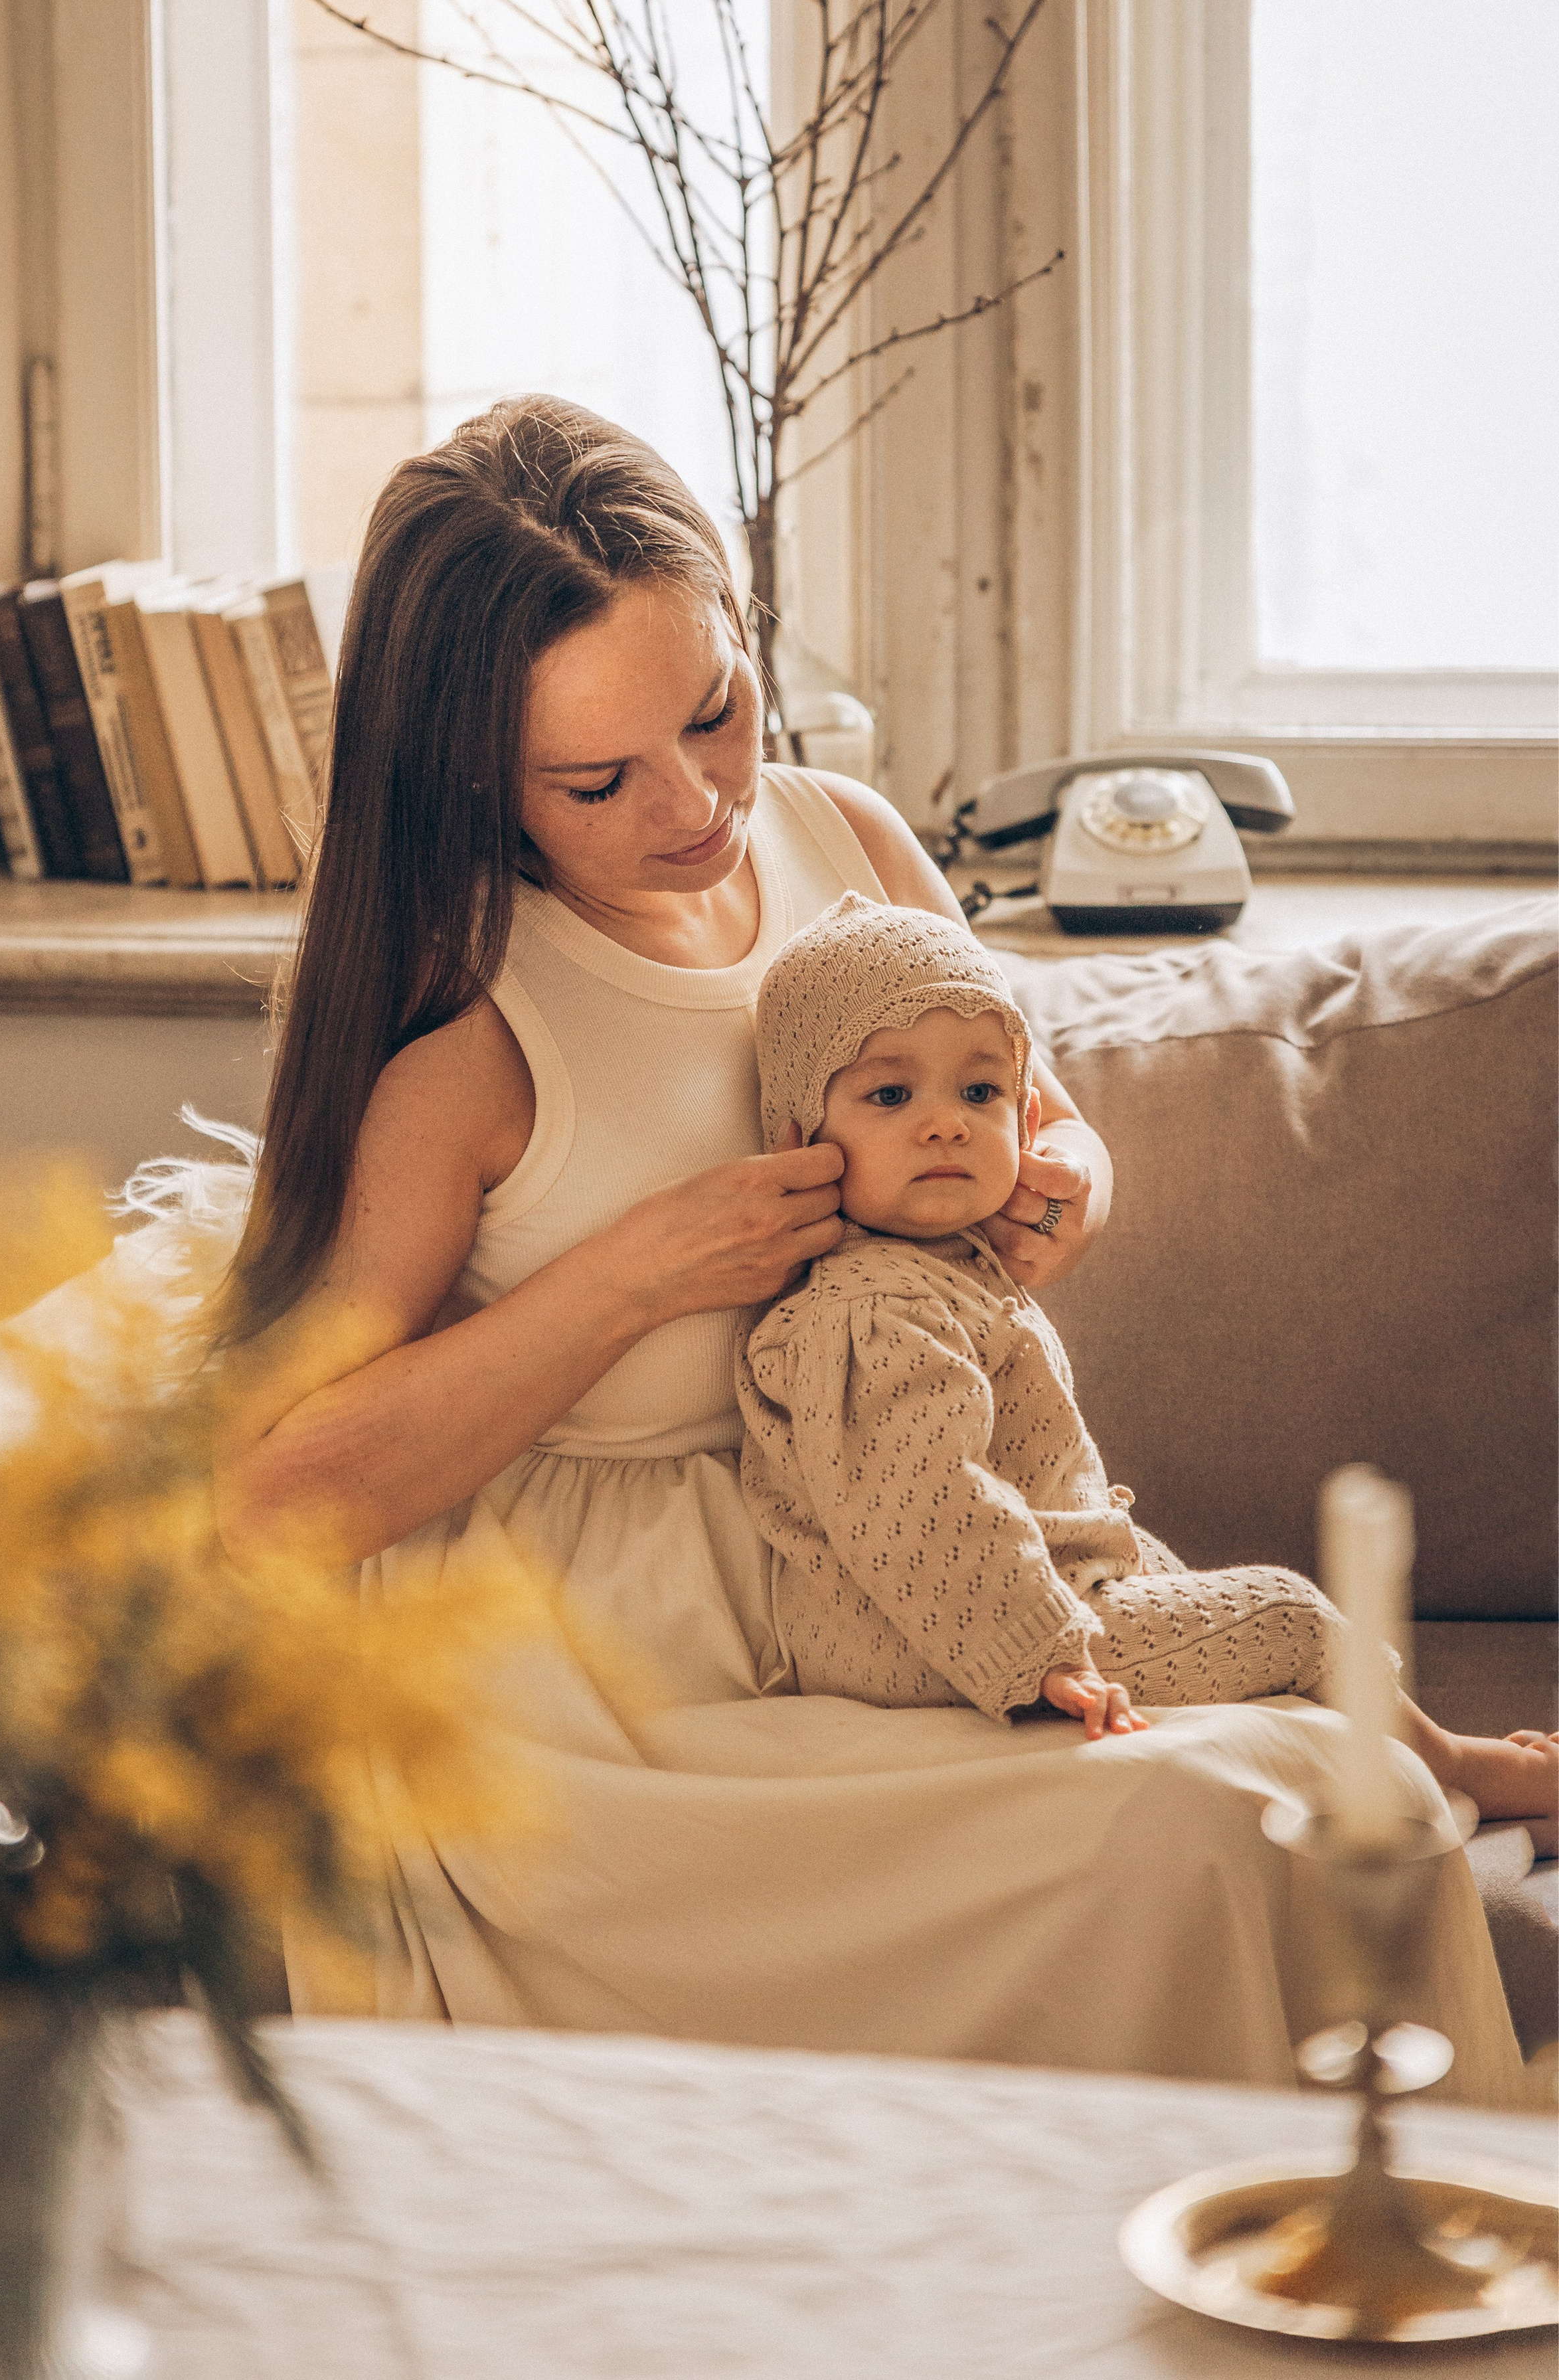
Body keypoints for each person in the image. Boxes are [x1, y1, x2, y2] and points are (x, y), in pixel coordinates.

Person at [210, 394, 1522, 2096]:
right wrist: (636, 1272)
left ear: (746, 639)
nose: (694, 805)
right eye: (598, 780)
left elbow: (1030, 1111)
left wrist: (1061, 1181)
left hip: (908, 1557)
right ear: (467, 775)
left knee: (1337, 1784)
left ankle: (1399, 2290)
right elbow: (271, 1502)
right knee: (1198, 1831)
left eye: (717, 713)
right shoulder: (465, 1024)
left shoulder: (852, 850)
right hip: (620, 1703)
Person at [738, 893, 1559, 1851]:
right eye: (890, 1096)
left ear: (1027, 1112)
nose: (945, 1127)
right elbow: (926, 1508)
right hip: (925, 1637)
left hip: (1023, 1591)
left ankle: (1368, 1751)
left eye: (979, 1093)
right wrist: (1038, 1651)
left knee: (1185, 1581)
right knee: (1291, 1617)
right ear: (799, 1139)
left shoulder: (952, 1270)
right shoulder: (874, 1310)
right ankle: (1458, 1768)